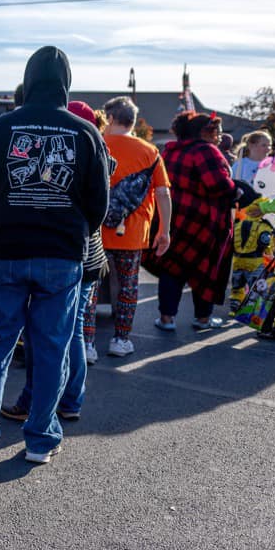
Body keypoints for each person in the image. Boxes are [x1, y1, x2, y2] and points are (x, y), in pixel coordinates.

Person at [0, 46, 110, 467]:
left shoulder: (1, 127)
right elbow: (99, 201)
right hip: (61, 254)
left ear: (28, 80)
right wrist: (75, 228)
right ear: (66, 84)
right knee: (51, 347)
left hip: (8, 249)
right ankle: (41, 439)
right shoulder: (85, 132)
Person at [0, 100, 111, 424]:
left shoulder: (77, 155)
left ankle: (41, 400)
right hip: (87, 256)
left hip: (73, 255)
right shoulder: (98, 153)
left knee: (52, 334)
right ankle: (68, 400)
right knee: (69, 331)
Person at [84, 96, 171, 358]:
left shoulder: (96, 144)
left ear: (110, 118)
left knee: (90, 288)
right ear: (132, 121)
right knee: (128, 286)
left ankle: (87, 344)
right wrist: (164, 231)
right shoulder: (149, 151)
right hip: (131, 232)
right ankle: (121, 340)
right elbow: (163, 192)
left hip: (96, 231)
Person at [144, 112, 237, 331]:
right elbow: (218, 185)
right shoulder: (206, 151)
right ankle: (202, 319)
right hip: (204, 222)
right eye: (217, 131)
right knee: (204, 271)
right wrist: (238, 189)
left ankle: (166, 319)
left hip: (174, 218)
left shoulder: (171, 150)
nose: (219, 136)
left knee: (171, 268)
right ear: (205, 131)